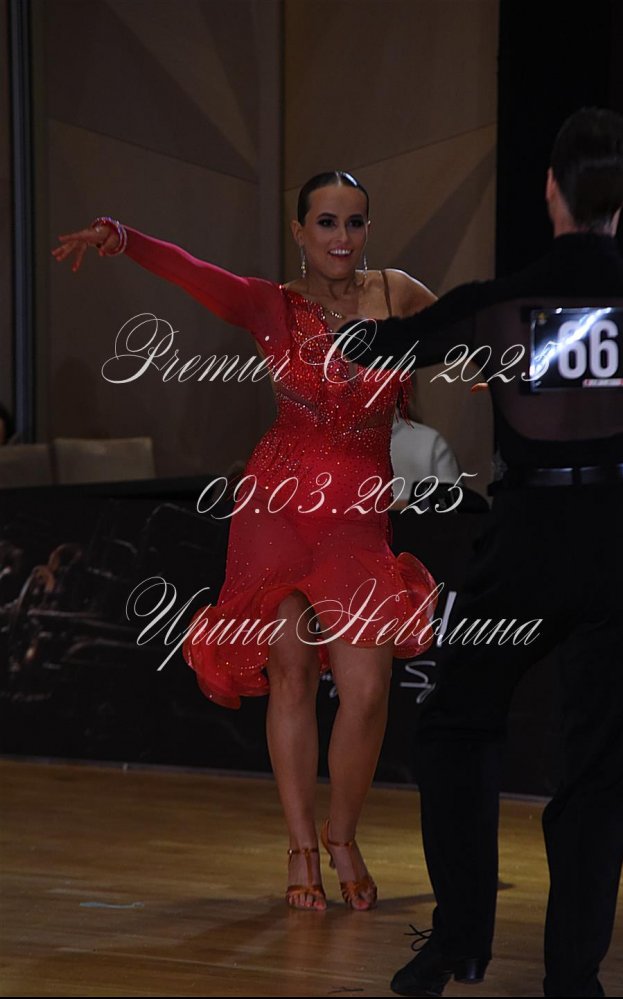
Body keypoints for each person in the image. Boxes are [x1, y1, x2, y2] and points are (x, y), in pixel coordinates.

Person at [337, 110, 623, 995]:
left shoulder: (499, 303)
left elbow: (374, 348)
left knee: (454, 725)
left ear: (549, 188)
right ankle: (573, 978)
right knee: (605, 767)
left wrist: (363, 301)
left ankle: (461, 941)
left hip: (529, 544)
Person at [51, 171, 439, 912]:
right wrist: (123, 239)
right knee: (290, 669)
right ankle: (301, 846)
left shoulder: (396, 293)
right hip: (276, 507)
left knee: (365, 689)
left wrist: (482, 362)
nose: (342, 237)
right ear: (299, 232)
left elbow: (464, 323)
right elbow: (195, 273)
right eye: (326, 222)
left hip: (355, 514)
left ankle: (341, 834)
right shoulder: (272, 305)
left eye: (355, 222)